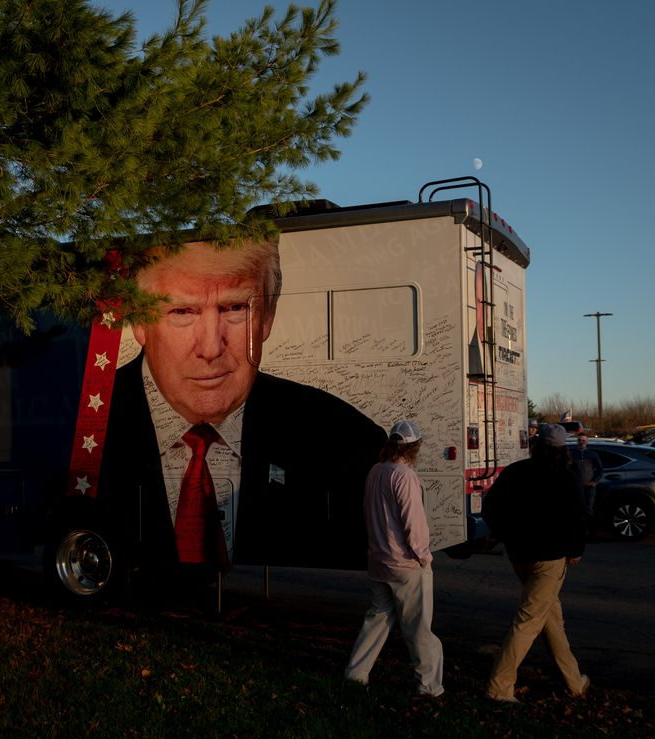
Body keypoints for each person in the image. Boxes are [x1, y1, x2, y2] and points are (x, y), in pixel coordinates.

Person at [99, 240, 387, 573]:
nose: (210, 348)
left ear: (268, 318)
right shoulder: (86, 424)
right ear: (139, 323)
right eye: (182, 311)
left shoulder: (349, 439)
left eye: (235, 308)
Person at [480, 423, 590, 702]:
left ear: (536, 445)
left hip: (520, 555)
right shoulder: (567, 479)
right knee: (528, 621)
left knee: (550, 617)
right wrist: (576, 549)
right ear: (562, 449)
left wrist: (506, 535)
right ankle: (499, 686)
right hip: (550, 560)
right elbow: (578, 519)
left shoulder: (516, 472)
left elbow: (490, 507)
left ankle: (574, 681)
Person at [344, 420, 444, 696]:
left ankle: (356, 673)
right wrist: (423, 555)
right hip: (405, 565)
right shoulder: (404, 476)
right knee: (418, 629)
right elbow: (412, 521)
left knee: (377, 620)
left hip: (379, 561)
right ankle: (429, 685)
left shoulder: (376, 471)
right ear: (414, 447)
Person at [570, 432, 604, 533]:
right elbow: (568, 469)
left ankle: (592, 533)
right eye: (579, 440)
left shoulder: (592, 454)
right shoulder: (572, 454)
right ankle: (580, 532)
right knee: (578, 510)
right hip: (577, 487)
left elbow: (600, 469)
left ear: (587, 441)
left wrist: (595, 481)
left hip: (590, 487)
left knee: (589, 510)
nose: (581, 442)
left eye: (583, 440)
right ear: (577, 442)